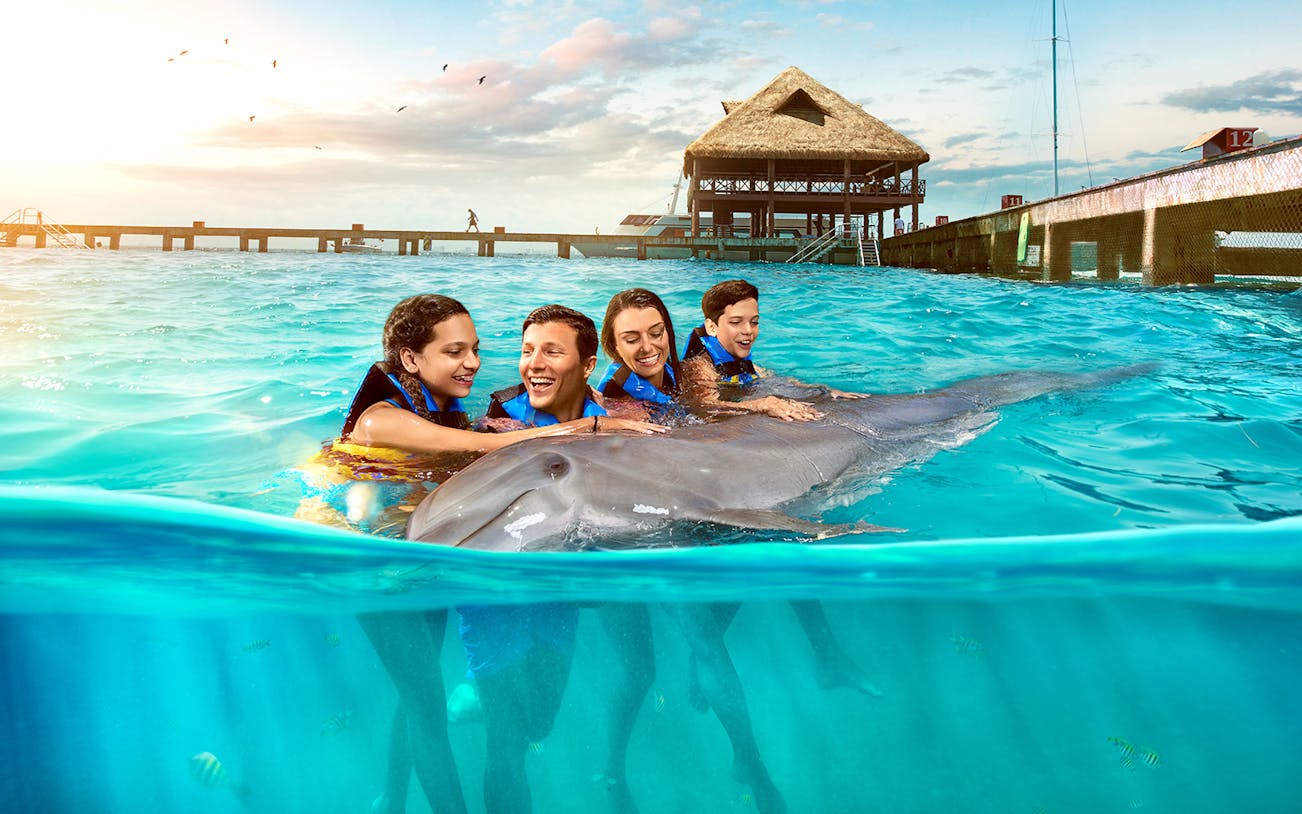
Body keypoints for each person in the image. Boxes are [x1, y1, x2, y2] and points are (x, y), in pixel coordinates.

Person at [310, 294, 658, 814]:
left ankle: (392, 798)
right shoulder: (380, 420)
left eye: (474, 349)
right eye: (454, 351)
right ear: (410, 360)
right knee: (426, 707)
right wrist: (591, 427)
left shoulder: (445, 409)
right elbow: (489, 451)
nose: (472, 362)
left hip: (422, 562)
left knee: (418, 696)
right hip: (374, 569)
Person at [465, 303, 665, 814]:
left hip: (564, 589)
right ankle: (484, 699)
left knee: (540, 723)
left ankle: (478, 699)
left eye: (552, 351)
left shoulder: (626, 418)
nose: (534, 363)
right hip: (502, 590)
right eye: (527, 351)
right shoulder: (495, 425)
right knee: (507, 745)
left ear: (588, 364)